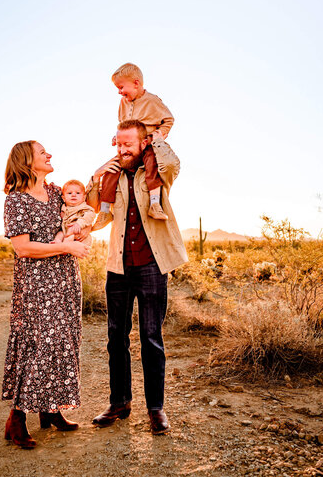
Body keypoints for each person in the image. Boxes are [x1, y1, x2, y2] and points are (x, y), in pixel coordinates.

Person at [88, 120, 188, 435]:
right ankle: (119, 402)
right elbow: (91, 204)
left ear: (142, 143)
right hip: (118, 266)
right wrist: (98, 171)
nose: (122, 149)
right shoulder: (112, 177)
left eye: (128, 144)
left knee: (151, 338)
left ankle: (155, 409)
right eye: (118, 144)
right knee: (116, 338)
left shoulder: (156, 172)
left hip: (151, 265)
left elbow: (174, 163)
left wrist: (156, 141)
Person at [2, 140, 90, 449]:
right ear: (27, 161)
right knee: (38, 345)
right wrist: (65, 246)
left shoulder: (56, 193)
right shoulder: (16, 200)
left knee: (64, 342)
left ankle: (50, 411)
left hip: (66, 280)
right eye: (43, 152)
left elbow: (81, 213)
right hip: (37, 284)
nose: (49, 154)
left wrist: (79, 230)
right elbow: (22, 247)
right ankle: (17, 418)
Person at [92, 63, 174, 231]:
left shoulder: (152, 101)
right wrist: (118, 136)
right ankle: (105, 211)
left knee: (152, 165)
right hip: (130, 149)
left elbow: (169, 120)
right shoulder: (123, 103)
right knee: (111, 169)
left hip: (147, 144)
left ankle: (154, 204)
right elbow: (122, 124)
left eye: (121, 87)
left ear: (136, 83)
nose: (119, 91)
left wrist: (159, 135)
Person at [52, 179, 95, 245]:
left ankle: (65, 246)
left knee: (71, 232)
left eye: (78, 193)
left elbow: (91, 215)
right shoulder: (63, 207)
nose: (74, 195)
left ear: (84, 197)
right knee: (60, 233)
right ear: (63, 198)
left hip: (79, 234)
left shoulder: (83, 207)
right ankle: (57, 241)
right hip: (65, 231)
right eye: (69, 193)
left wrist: (79, 224)